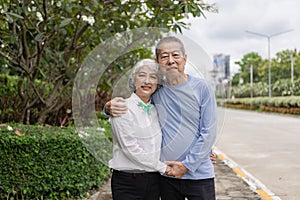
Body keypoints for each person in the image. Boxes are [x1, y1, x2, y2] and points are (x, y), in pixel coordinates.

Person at [106, 36, 217, 200]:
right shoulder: (157, 89)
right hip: (166, 178)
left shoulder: (202, 88)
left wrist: (189, 164)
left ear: (185, 59)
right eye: (164, 56)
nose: (171, 61)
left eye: (176, 55)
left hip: (199, 174)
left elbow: (208, 131)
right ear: (157, 61)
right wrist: (108, 108)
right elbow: (135, 103)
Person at [109, 59, 179, 200]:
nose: (147, 81)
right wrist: (164, 168)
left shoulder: (155, 110)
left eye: (153, 77)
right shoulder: (121, 107)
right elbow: (130, 148)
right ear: (133, 80)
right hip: (128, 182)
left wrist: (204, 152)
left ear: (157, 84)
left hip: (153, 181)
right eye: (141, 75)